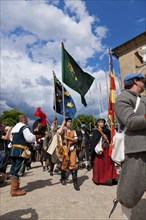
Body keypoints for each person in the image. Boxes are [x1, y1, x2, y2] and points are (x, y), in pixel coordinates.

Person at [114, 72, 146, 220]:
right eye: (143, 80)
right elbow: (131, 121)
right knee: (129, 191)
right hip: (137, 149)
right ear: (135, 81)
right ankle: (126, 217)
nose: (144, 83)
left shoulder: (143, 100)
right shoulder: (123, 98)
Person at [10, 114, 39, 196]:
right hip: (20, 151)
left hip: (13, 150)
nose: (28, 121)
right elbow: (29, 138)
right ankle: (14, 190)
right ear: (23, 119)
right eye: (27, 119)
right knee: (18, 169)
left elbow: (11, 139)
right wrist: (35, 135)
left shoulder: (14, 128)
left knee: (14, 168)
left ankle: (14, 188)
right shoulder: (24, 127)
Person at [90, 118, 118, 185]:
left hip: (107, 149)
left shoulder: (107, 131)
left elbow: (112, 137)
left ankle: (113, 178)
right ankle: (97, 180)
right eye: (100, 122)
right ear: (98, 123)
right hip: (99, 150)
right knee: (98, 165)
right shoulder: (96, 132)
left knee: (110, 164)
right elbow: (94, 142)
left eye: (102, 122)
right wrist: (98, 149)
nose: (102, 123)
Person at [57, 118, 80, 191]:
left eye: (71, 121)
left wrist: (68, 138)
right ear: (66, 122)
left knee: (73, 165)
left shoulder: (73, 131)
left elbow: (76, 140)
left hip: (72, 149)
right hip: (64, 149)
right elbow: (58, 132)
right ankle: (63, 178)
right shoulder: (63, 130)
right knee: (64, 164)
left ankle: (75, 183)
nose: (70, 123)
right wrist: (63, 124)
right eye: (69, 121)